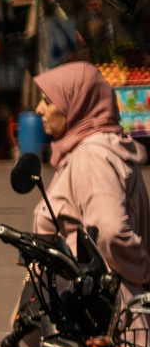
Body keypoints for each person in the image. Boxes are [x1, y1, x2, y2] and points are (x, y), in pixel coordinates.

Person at [34, 59, 150, 291]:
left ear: (76, 103)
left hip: (97, 311)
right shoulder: (95, 147)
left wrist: (144, 271)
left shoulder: (92, 155)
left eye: (48, 101)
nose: (39, 109)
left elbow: (110, 233)